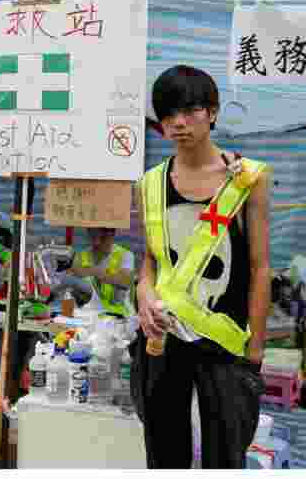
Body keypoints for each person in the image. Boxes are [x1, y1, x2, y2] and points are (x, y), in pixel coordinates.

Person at [132, 65, 271, 468]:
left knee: (225, 455)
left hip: (226, 340)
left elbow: (261, 266)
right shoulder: (151, 184)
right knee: (163, 451)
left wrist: (256, 350)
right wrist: (144, 301)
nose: (179, 123)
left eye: (191, 110)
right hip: (163, 338)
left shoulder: (246, 180)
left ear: (212, 112)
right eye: (168, 114)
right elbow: (151, 262)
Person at [68, 227, 136, 317]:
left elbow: (124, 281)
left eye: (102, 237)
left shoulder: (125, 255)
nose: (97, 243)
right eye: (93, 235)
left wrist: (92, 271)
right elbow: (69, 289)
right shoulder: (81, 256)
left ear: (112, 234)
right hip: (87, 315)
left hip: (117, 317)